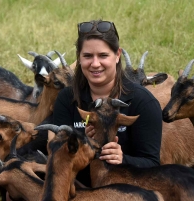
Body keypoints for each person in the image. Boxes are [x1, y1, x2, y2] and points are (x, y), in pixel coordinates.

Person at [52, 19, 162, 187]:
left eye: (103, 55)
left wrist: (123, 158)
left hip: (123, 191)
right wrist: (80, 142)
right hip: (76, 190)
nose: (95, 64)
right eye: (87, 56)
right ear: (79, 58)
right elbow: (54, 155)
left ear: (117, 55)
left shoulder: (143, 102)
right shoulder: (67, 98)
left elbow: (152, 164)